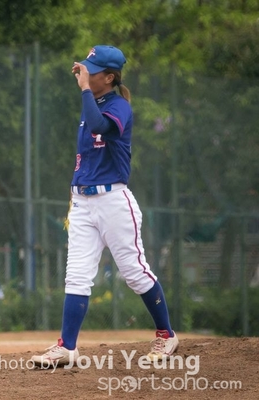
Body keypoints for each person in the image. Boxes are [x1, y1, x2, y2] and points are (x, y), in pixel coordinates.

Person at [31, 45, 178, 367]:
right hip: (83, 201)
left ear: (109, 78)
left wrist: (85, 90)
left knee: (134, 273)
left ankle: (166, 336)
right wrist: (87, 90)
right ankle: (66, 347)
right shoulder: (92, 105)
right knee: (77, 276)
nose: (84, 72)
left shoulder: (119, 106)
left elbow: (99, 126)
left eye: (92, 70)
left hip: (114, 201)